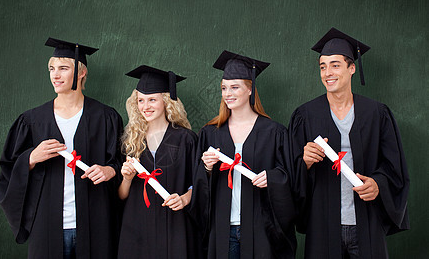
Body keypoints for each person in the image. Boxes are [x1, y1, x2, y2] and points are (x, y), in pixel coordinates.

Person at [0, 38, 124, 259]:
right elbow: (8, 169)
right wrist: (31, 158)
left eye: (63, 68)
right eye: (51, 69)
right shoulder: (32, 121)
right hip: (46, 225)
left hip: (96, 223)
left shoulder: (106, 117)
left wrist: (109, 170)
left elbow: (123, 163)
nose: (55, 75)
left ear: (81, 72)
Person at [289, 28, 410, 258]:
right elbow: (288, 175)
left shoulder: (376, 113)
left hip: (367, 224)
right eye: (322, 66)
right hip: (322, 225)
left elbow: (394, 167)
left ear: (351, 68)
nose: (327, 73)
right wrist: (303, 162)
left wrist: (378, 184)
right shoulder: (305, 115)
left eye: (335, 65)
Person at [191, 51, 296, 259]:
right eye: (224, 88)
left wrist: (272, 177)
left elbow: (290, 177)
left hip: (261, 229)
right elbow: (198, 186)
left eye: (235, 87)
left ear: (250, 89)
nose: (228, 93)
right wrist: (207, 168)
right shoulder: (210, 133)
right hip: (222, 229)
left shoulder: (274, 132)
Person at [118, 65, 202, 259]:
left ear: (166, 102)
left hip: (176, 227)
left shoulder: (186, 139)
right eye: (141, 100)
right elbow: (121, 195)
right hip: (137, 228)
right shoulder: (131, 140)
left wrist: (184, 199)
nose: (145, 106)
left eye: (152, 100)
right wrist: (127, 178)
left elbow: (199, 184)